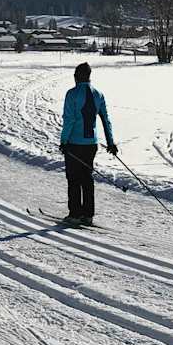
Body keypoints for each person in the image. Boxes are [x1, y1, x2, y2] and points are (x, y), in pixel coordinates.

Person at [59, 62, 116, 224]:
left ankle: (75, 214)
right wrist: (111, 143)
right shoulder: (98, 94)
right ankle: (88, 214)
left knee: (73, 178)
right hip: (91, 144)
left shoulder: (72, 94)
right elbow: (106, 120)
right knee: (87, 177)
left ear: (77, 76)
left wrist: (64, 141)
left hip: (74, 143)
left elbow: (68, 120)